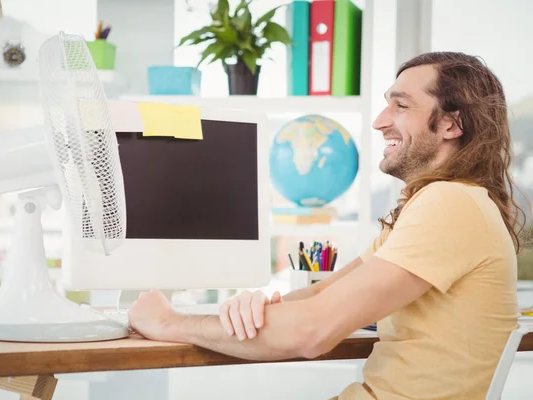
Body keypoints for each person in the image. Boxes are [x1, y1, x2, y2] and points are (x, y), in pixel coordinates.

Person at [127, 51, 526, 400]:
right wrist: (253, 306)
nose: (379, 121)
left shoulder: (451, 203)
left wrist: (169, 323)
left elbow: (313, 331)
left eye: (401, 106)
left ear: (451, 125)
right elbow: (320, 296)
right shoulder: (433, 204)